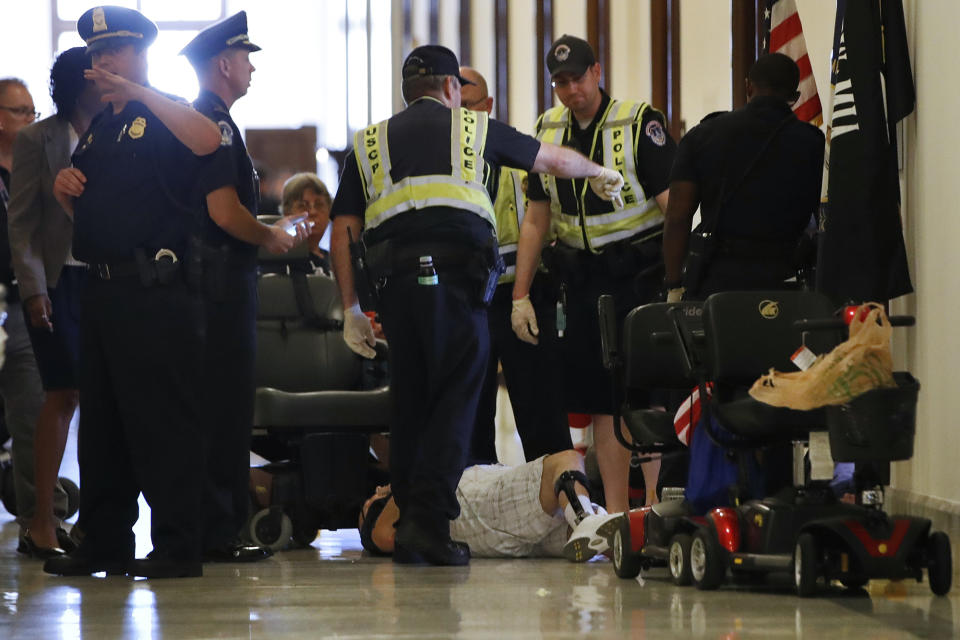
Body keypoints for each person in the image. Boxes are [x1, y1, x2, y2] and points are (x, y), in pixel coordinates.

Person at [330, 44, 623, 566]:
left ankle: (410, 516)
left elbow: (344, 228)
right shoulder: (472, 129)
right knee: (456, 396)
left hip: (395, 285)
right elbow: (548, 158)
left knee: (412, 397)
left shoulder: (366, 143)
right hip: (456, 282)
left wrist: (350, 306)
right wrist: (597, 171)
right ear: (449, 88)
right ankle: (427, 525)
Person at [43, 5, 223, 579]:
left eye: (114, 51)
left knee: (162, 421)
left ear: (141, 54)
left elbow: (207, 141)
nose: (103, 62)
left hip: (155, 293)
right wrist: (65, 189)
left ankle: (175, 545)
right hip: (101, 292)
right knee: (103, 427)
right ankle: (104, 541)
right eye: (96, 54)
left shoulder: (167, 113)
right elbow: (93, 209)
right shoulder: (98, 127)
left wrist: (143, 92)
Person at [513, 35, 677, 512]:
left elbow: (673, 207)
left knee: (644, 398)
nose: (570, 91)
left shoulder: (637, 122)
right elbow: (536, 217)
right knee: (602, 404)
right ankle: (617, 513)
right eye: (560, 82)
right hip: (582, 283)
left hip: (639, 277)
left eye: (578, 78)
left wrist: (680, 278)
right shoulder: (547, 128)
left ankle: (654, 501)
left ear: (597, 72)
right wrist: (520, 294)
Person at [180, 10, 307, 564]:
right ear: (224, 64)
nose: (252, 69)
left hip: (218, 285)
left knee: (223, 409)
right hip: (218, 287)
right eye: (247, 59)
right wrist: (271, 236)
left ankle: (218, 523)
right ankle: (218, 530)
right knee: (222, 410)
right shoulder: (214, 126)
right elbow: (223, 211)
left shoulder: (212, 121)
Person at [7, 49, 101, 559]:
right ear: (76, 83)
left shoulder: (116, 128)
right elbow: (20, 224)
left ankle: (95, 522)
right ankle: (41, 520)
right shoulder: (35, 139)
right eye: (95, 73)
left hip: (110, 279)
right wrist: (34, 289)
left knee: (103, 401)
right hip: (58, 282)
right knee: (62, 395)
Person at [458, 66, 570, 465]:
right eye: (455, 107)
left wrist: (522, 296)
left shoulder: (518, 154)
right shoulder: (442, 159)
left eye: (470, 107)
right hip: (467, 301)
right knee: (470, 417)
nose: (462, 117)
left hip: (519, 296)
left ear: (488, 106)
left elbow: (538, 224)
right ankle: (477, 506)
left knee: (539, 410)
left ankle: (557, 502)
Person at [662, 52, 825, 302]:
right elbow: (822, 213)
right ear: (794, 98)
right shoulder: (813, 143)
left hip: (720, 279)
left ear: (748, 86)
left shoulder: (703, 135)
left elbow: (677, 215)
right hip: (786, 278)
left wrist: (674, 285)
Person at [359, 450, 621, 561]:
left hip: (497, 517)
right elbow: (384, 536)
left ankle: (629, 543)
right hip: (482, 505)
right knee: (566, 460)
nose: (375, 491)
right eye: (368, 503)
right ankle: (586, 520)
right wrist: (396, 486)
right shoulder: (398, 505)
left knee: (594, 530)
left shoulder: (413, 495)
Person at [0, 77, 47, 554]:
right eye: (20, 111)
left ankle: (40, 514)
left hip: (23, 301)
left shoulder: (35, 169)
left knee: (34, 408)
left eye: (33, 111)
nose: (30, 120)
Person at [280, 172, 332, 272]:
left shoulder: (336, 262)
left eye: (319, 205)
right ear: (287, 213)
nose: (312, 212)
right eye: (302, 206)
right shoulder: (280, 262)